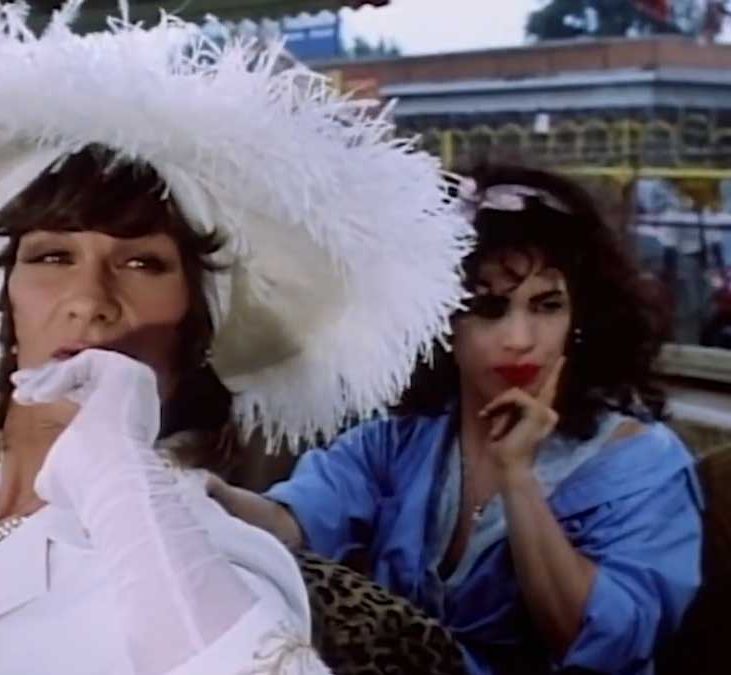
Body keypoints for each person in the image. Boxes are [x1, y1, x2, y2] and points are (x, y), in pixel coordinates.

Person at [0, 2, 472, 673]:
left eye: (141, 263)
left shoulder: (196, 545)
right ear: (6, 301)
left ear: (198, 327)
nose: (90, 302)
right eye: (51, 257)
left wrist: (116, 471)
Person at [210, 165, 704, 675]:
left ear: (580, 317)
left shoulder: (643, 463)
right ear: (442, 319)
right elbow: (293, 523)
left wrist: (518, 479)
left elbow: (603, 646)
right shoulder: (399, 442)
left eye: (546, 305)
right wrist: (208, 496)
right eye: (488, 308)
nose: (519, 337)